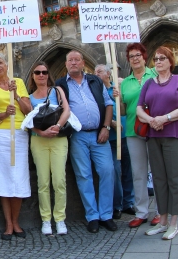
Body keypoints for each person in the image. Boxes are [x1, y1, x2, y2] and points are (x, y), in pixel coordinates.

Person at [55, 50, 116, 233]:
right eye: (70, 60)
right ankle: (92, 216)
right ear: (66, 64)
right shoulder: (60, 84)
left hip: (99, 133)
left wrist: (106, 127)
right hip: (77, 135)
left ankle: (106, 215)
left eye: (77, 59)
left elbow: (108, 104)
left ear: (83, 63)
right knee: (83, 175)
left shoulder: (95, 80)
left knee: (107, 170)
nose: (73, 63)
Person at [137, 47, 178, 240]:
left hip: (174, 135)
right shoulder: (149, 83)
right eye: (156, 59)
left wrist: (164, 118)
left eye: (162, 59)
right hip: (154, 136)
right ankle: (162, 221)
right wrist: (152, 120)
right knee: (159, 179)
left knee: (175, 179)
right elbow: (139, 109)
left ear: (170, 61)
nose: (158, 62)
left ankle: (174, 224)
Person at [0, 53, 32, 240]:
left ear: (7, 65)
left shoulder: (17, 82)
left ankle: (17, 221)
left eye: (1, 62)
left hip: (19, 133)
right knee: (4, 179)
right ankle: (9, 224)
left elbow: (28, 110)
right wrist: (3, 115)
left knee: (18, 177)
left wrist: (16, 95)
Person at [118, 43, 160, 228]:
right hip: (134, 130)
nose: (135, 59)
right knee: (138, 174)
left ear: (144, 57)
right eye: (131, 56)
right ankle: (142, 212)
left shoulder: (155, 75)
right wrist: (116, 98)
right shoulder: (125, 82)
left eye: (138, 55)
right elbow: (124, 111)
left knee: (158, 172)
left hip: (156, 129)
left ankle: (161, 211)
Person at [27, 61, 70, 235]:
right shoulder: (29, 97)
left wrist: (57, 126)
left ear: (48, 74)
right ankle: (46, 219)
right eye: (37, 72)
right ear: (33, 76)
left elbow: (66, 110)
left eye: (44, 72)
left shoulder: (57, 91)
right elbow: (28, 121)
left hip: (58, 138)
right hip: (39, 140)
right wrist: (41, 132)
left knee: (59, 180)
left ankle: (60, 218)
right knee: (43, 182)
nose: (41, 75)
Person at [95, 64, 135, 220]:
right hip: (111, 139)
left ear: (108, 74)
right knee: (115, 171)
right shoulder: (97, 92)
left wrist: (120, 96)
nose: (96, 74)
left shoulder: (117, 89)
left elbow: (126, 108)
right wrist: (110, 122)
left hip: (125, 135)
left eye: (99, 72)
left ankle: (128, 202)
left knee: (128, 170)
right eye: (95, 72)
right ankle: (117, 205)